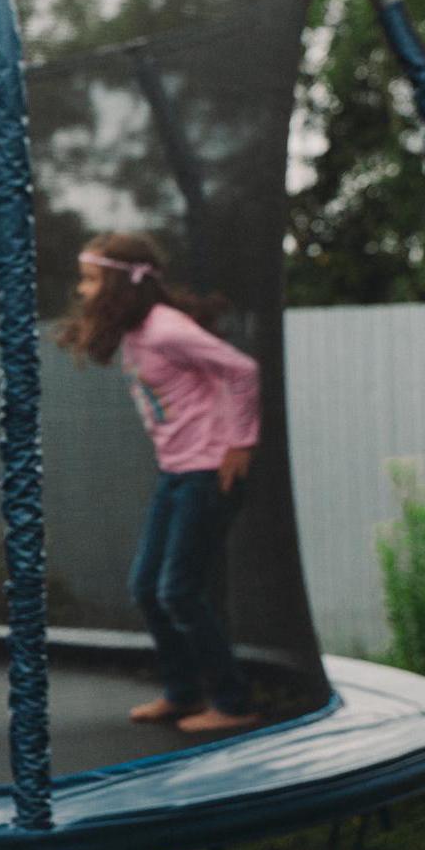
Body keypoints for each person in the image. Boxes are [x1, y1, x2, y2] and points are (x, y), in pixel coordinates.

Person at [59, 232, 261, 735]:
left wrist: (240, 442)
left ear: (121, 284)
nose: (83, 291)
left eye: (90, 280)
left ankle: (233, 701)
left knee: (178, 591)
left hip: (208, 471)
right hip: (177, 472)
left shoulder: (167, 328)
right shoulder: (136, 329)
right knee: (147, 588)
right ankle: (182, 692)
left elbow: (242, 370)